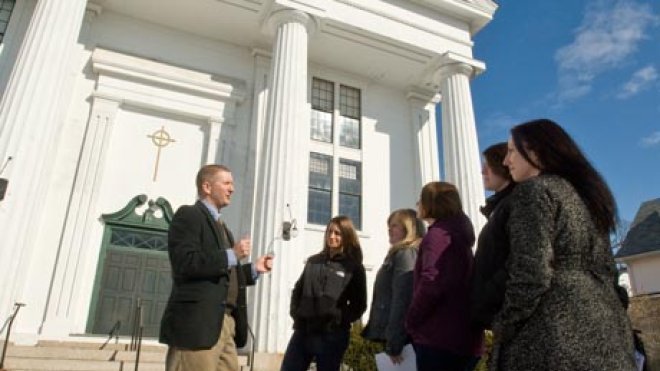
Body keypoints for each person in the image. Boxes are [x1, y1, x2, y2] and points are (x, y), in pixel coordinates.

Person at [490, 119, 636, 371]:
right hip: (606, 327)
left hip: (553, 333)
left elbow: (531, 274)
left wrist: (503, 324)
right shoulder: (587, 194)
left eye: (512, 151)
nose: (505, 161)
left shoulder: (533, 192)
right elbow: (608, 269)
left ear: (534, 151)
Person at [159, 164, 273, 371]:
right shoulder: (189, 215)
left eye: (233, 184)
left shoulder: (223, 227)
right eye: (227, 183)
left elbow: (223, 274)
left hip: (225, 324)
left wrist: (253, 269)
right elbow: (185, 262)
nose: (232, 189)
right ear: (207, 187)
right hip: (197, 325)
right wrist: (233, 254)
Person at [405, 182, 483, 371]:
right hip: (462, 338)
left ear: (430, 204)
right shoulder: (458, 235)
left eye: (421, 200)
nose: (417, 204)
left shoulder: (437, 236)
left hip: (437, 338)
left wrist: (411, 320)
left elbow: (432, 282)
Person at [281, 216, 367, 371]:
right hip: (303, 332)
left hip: (332, 336)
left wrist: (338, 319)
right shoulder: (313, 261)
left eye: (337, 233)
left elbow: (359, 305)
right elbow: (297, 290)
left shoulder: (353, 267)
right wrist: (296, 313)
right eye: (330, 232)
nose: (332, 236)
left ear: (346, 236)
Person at [362, 209, 423, 364]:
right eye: (389, 225)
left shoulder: (406, 254)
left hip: (403, 343)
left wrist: (395, 343)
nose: (389, 229)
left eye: (395, 225)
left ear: (408, 228)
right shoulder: (398, 254)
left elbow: (402, 300)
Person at [470, 142, 516, 331]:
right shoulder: (500, 208)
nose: (482, 171)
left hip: (504, 312)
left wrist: (485, 298)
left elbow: (517, 262)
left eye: (487, 165)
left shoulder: (514, 205)